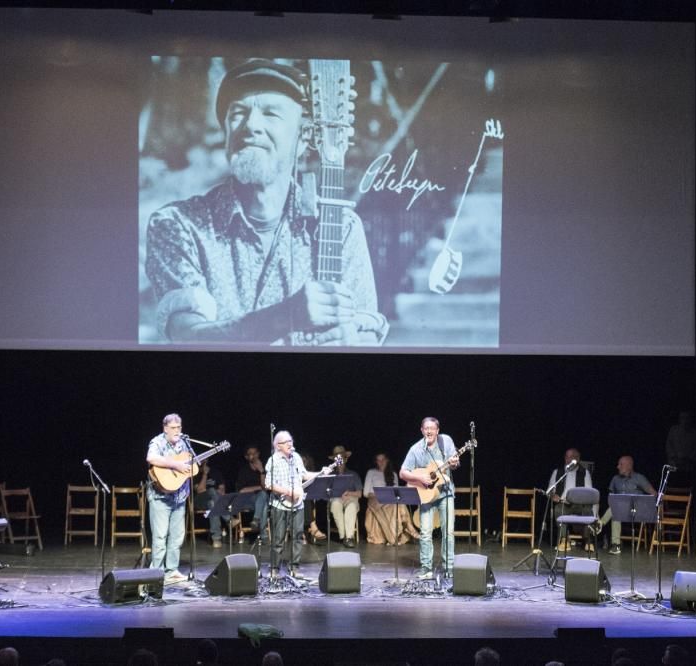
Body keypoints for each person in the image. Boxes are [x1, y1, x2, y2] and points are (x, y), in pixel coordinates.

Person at [145, 58, 388, 347]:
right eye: (238, 113)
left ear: (303, 139)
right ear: (225, 133)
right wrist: (285, 316)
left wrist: (354, 340)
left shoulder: (341, 228)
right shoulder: (179, 225)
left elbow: (366, 328)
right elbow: (188, 336)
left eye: (271, 113)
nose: (251, 125)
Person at [399, 417, 460, 579]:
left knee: (449, 532)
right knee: (425, 532)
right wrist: (420, 479)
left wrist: (454, 463)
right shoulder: (416, 449)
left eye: (432, 428)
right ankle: (426, 568)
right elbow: (403, 472)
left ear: (437, 430)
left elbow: (454, 463)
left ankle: (449, 568)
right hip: (426, 494)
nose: (429, 431)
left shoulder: (445, 441)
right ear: (421, 430)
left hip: (445, 493)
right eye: (426, 428)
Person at [145, 413, 192, 585]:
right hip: (160, 497)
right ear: (165, 428)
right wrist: (175, 465)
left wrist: (188, 467)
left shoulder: (185, 443)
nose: (177, 431)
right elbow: (151, 458)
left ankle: (171, 571)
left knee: (177, 537)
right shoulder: (157, 441)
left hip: (179, 497)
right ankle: (156, 573)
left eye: (179, 428)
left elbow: (190, 464)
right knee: (160, 536)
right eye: (173, 428)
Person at [264, 430, 311, 579]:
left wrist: (322, 472)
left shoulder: (296, 457)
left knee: (297, 536)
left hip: (298, 504)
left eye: (291, 441)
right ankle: (274, 568)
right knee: (278, 538)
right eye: (286, 442)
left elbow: (304, 475)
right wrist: (287, 492)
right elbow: (268, 483)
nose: (290, 444)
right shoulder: (273, 460)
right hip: (280, 504)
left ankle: (294, 568)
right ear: (278, 446)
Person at [597, 455, 656, 554]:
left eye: (621, 464)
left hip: (637, 511)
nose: (618, 466)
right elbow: (610, 496)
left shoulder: (639, 478)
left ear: (629, 466)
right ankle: (616, 545)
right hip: (620, 511)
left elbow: (653, 493)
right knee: (616, 511)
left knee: (616, 510)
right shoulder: (615, 479)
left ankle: (599, 524)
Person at [364, 451, 419, 545]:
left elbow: (396, 492)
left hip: (390, 500)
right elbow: (365, 493)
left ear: (387, 460)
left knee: (399, 504)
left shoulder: (393, 474)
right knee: (396, 505)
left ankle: (403, 533)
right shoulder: (371, 472)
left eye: (383, 460)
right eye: (378, 460)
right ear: (376, 462)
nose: (381, 462)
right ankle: (410, 531)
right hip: (375, 500)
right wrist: (380, 494)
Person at [546, 448, 595, 552]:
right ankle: (564, 540)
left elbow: (589, 494)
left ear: (577, 459)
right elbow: (550, 490)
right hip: (564, 503)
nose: (568, 460)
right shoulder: (558, 472)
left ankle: (588, 541)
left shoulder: (584, 473)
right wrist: (553, 495)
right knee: (559, 509)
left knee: (588, 511)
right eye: (567, 457)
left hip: (580, 505)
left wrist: (579, 499)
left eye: (572, 457)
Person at [327, 445, 363, 547]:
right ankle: (344, 537)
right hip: (336, 499)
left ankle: (349, 537)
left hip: (350, 498)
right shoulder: (331, 475)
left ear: (346, 459)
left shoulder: (353, 474)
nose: (339, 461)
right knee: (335, 505)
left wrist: (349, 493)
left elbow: (360, 494)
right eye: (337, 459)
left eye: (341, 458)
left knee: (351, 507)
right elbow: (326, 492)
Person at [234, 445, 269, 537]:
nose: (253, 456)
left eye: (255, 453)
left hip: (261, 500)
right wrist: (259, 488)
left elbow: (266, 488)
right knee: (263, 502)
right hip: (247, 500)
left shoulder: (265, 469)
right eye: (250, 454)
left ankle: (256, 520)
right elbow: (241, 490)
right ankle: (263, 535)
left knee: (263, 497)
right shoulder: (244, 470)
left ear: (258, 454)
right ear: (246, 457)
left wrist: (262, 471)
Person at [192, 462, 227, 548]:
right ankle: (228, 518)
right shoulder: (195, 473)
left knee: (212, 503)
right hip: (200, 501)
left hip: (214, 501)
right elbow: (200, 490)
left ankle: (216, 539)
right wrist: (205, 474)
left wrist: (216, 493)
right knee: (211, 490)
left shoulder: (215, 472)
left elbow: (222, 491)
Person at [665, 410, 696, 487]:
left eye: (686, 418)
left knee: (686, 485)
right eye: (682, 418)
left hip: (687, 466)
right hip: (674, 464)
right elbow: (669, 445)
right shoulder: (674, 430)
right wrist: (674, 457)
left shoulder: (693, 433)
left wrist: (688, 458)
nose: (684, 420)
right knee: (674, 485)